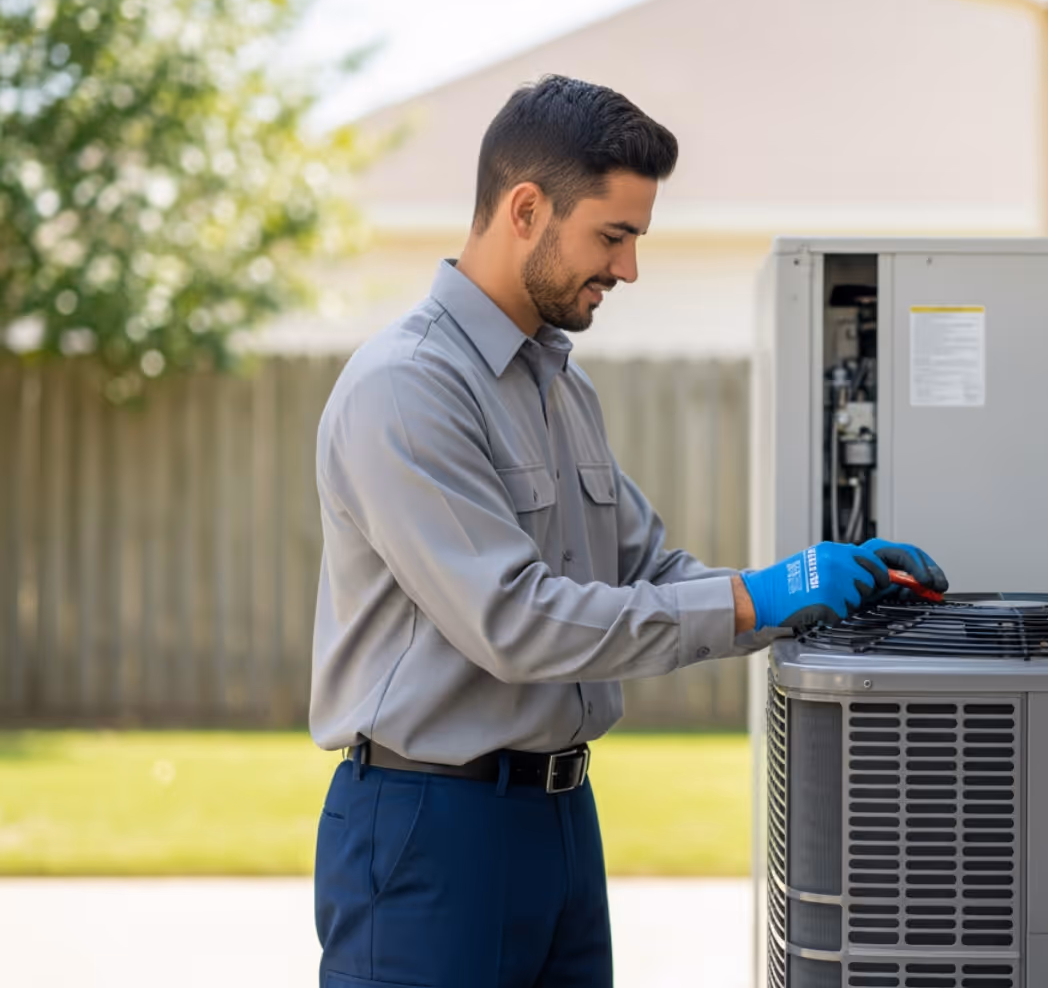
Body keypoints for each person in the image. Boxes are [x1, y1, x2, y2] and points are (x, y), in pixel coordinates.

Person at [308, 74, 947, 987]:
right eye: (614, 236)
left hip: (560, 821)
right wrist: (757, 596)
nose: (629, 269)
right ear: (526, 209)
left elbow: (652, 569)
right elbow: (517, 622)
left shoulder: (562, 387)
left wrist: (811, 590)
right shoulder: (407, 390)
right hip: (431, 828)